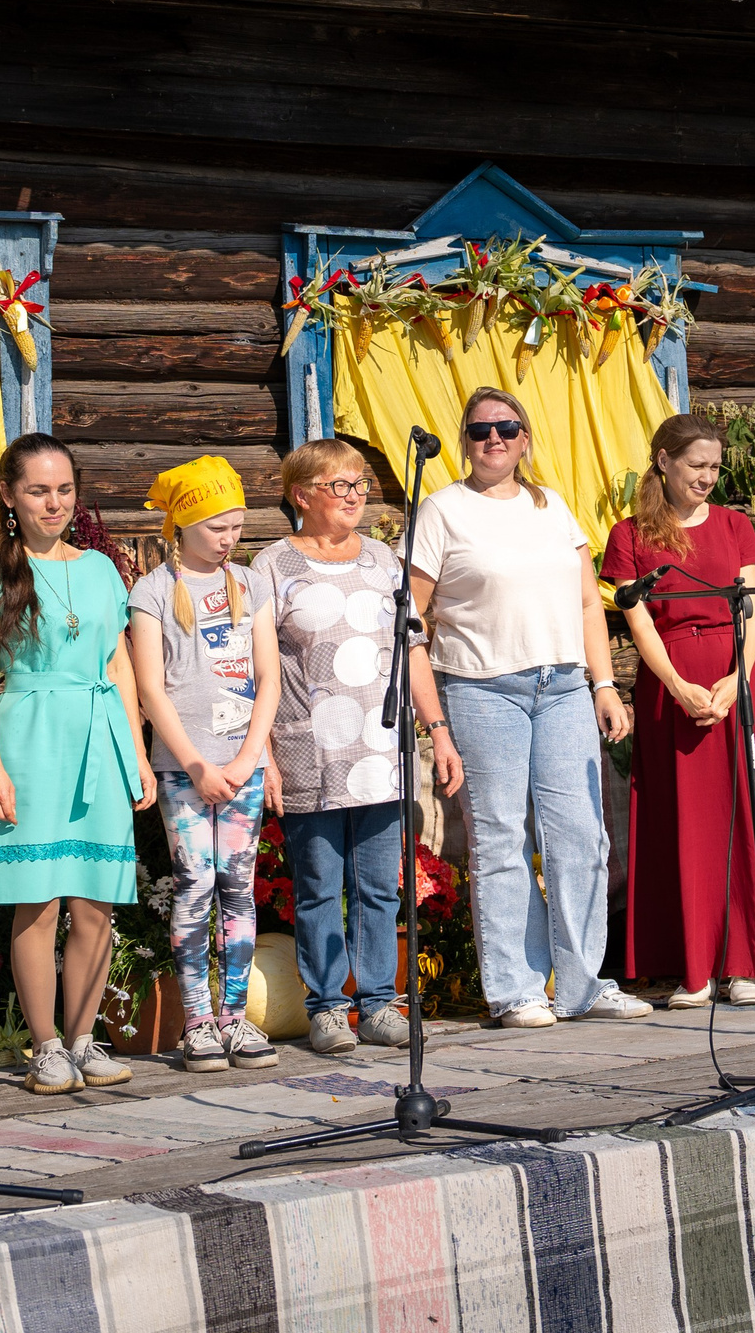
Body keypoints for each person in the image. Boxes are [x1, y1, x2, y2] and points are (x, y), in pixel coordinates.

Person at [410, 387, 650, 1028]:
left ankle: (582, 983)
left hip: (565, 687)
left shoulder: (553, 507)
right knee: (500, 840)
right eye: (481, 429)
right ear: (464, 439)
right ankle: (517, 988)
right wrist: (435, 721)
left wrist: (604, 685)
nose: (494, 439)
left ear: (525, 439)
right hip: (483, 690)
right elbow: (412, 620)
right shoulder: (441, 510)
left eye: (507, 428)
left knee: (581, 838)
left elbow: (584, 606)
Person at [0, 434, 153, 1096]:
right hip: (29, 739)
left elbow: (117, 663)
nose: (55, 503)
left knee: (96, 904)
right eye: (39, 490)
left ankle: (81, 1038)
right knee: (38, 902)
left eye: (65, 489)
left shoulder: (103, 571)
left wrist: (136, 751)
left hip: (98, 737)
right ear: (11, 495)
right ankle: (44, 1047)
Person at [601, 414, 755, 1007]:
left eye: (715, 467)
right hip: (671, 687)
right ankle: (694, 969)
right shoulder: (629, 534)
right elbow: (638, 621)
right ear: (663, 461)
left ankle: (744, 964)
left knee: (744, 816)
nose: (708, 477)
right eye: (697, 465)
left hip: (733, 683)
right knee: (683, 823)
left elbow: (751, 610)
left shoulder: (736, 525)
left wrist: (739, 679)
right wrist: (678, 684)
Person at [254, 439, 427, 1055]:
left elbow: (413, 652)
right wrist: (265, 754)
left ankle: (380, 1002)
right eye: (340, 485)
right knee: (319, 884)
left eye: (359, 484)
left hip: (381, 751)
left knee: (381, 884)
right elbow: (257, 668)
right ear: (302, 495)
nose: (355, 495)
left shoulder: (384, 560)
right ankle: (328, 1007)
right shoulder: (271, 566)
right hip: (309, 748)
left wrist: (437, 729)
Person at [130, 456, 284, 1072]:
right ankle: (196, 1022)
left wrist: (250, 757)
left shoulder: (251, 584)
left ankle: (235, 1018)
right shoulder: (152, 592)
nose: (229, 537)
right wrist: (194, 764)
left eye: (236, 525)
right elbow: (149, 689)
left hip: (240, 765)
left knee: (238, 886)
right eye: (217, 526)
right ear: (183, 525)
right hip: (184, 770)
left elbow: (268, 676)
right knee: (195, 882)